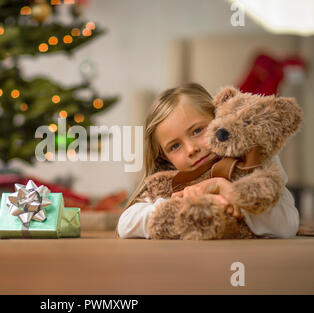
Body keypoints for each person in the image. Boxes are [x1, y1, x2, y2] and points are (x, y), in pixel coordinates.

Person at [117, 83, 299, 239]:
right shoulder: (175, 182)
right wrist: (185, 205)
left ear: (218, 118)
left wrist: (226, 192)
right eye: (175, 146)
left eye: (197, 131)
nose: (191, 149)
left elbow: (287, 224)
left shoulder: (254, 159)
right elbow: (125, 224)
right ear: (164, 157)